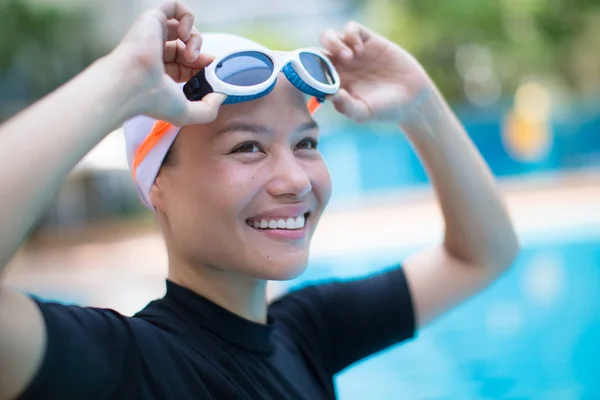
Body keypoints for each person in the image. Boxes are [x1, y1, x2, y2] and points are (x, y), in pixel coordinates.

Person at [0, 1, 519, 399]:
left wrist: (422, 104)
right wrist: (118, 83)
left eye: (306, 143)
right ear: (156, 183)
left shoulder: (308, 332)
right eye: (247, 146)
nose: (294, 178)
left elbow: (482, 253)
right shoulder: (133, 366)